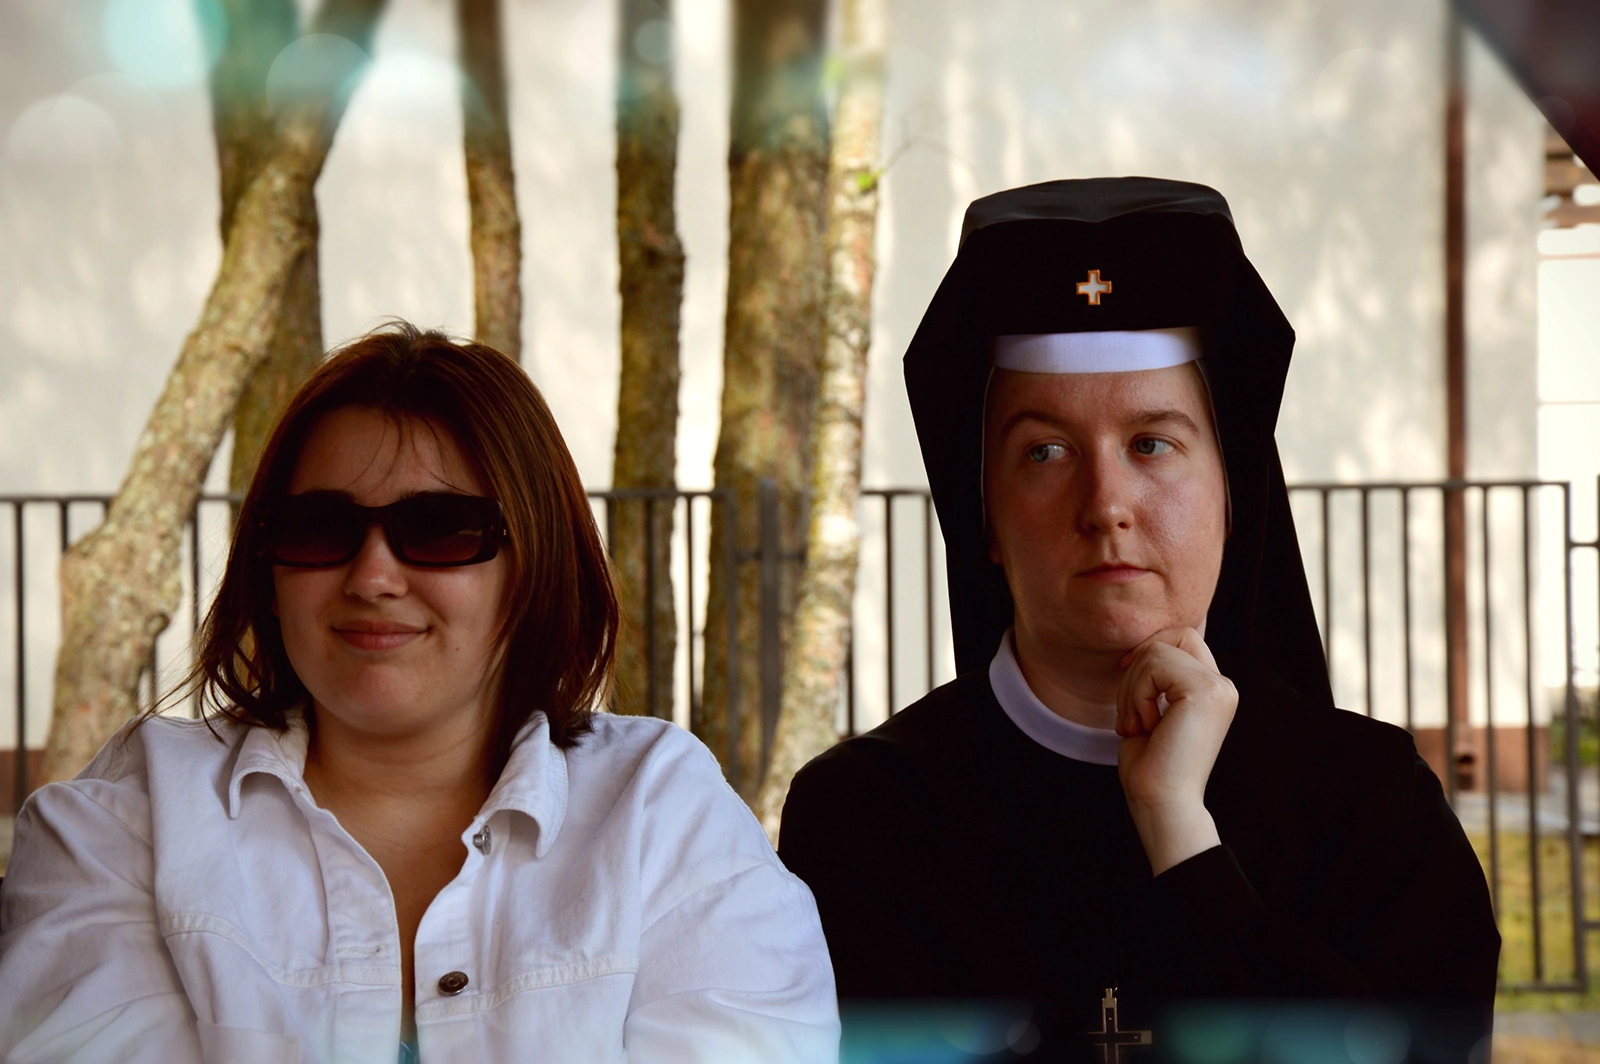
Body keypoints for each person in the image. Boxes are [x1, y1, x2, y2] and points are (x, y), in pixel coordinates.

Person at [777, 179, 1499, 1063]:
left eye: (1152, 443)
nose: (1106, 504)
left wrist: (1181, 834)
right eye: (1046, 452)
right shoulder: (866, 819)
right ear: (987, 519)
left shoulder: (1374, 807)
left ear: (1231, 497)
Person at [0, 324, 840, 1064]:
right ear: (270, 567)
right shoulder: (131, 822)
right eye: (320, 528)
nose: (372, 576)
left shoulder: (661, 812)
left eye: (440, 529)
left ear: (536, 565)